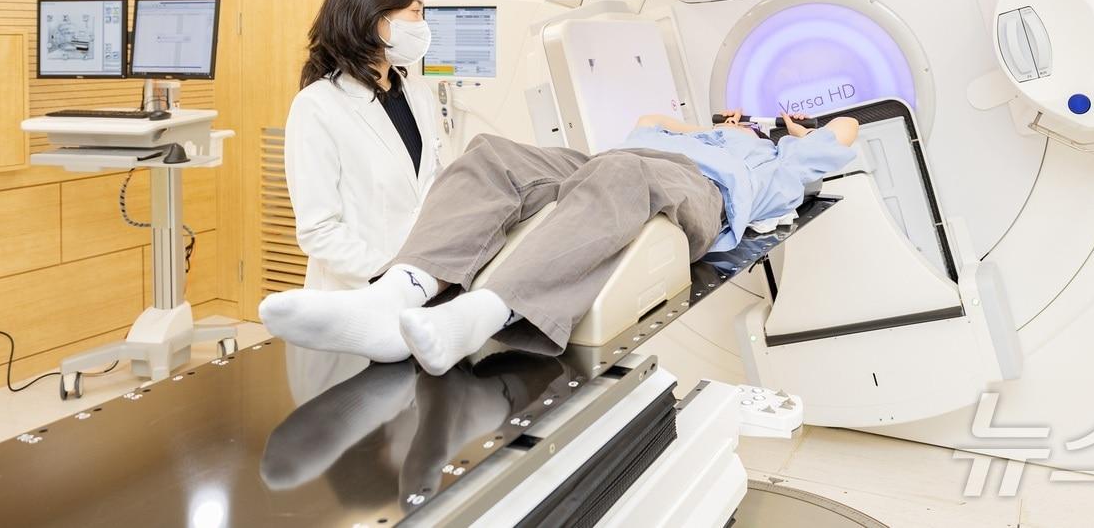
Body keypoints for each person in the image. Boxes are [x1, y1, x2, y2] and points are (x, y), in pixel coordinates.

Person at [261, 110, 858, 376]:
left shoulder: (775, 160)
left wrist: (785, 132)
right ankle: (393, 296)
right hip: (609, 159)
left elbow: (845, 130)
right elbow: (652, 118)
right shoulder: (685, 130)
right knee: (490, 154)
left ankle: (479, 314)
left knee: (620, 173)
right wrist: (711, 124)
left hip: (700, 190)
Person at [284, 0, 444, 291]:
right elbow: (319, 229)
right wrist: (390, 279)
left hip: (420, 286)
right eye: (416, 11)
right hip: (358, 293)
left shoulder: (418, 94)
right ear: (375, 16)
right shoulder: (317, 106)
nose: (422, 23)